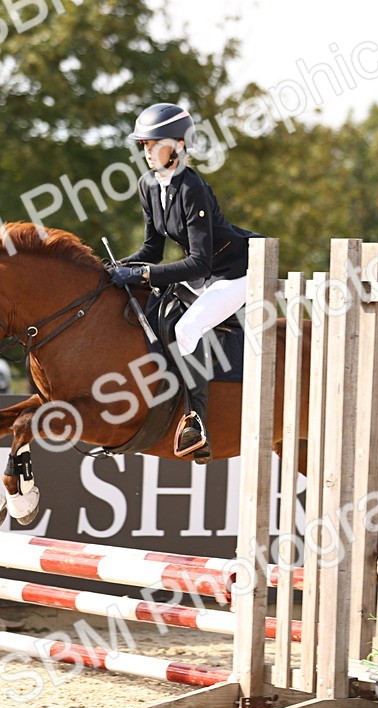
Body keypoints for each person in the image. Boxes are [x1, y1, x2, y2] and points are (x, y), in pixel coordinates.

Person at [110, 103, 263, 462]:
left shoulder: (192, 187)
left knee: (188, 328)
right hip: (201, 276)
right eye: (143, 144)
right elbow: (152, 248)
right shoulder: (148, 184)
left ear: (178, 145)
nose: (146, 150)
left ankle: (196, 422)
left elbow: (199, 262)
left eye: (153, 143)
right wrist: (116, 267)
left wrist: (144, 274)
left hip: (233, 273)